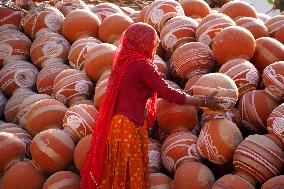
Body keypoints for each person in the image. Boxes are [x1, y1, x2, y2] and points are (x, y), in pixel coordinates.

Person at [81, 23, 223, 189]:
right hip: (128, 127)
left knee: (118, 176)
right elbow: (168, 93)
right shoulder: (143, 66)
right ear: (143, 43)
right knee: (128, 177)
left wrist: (191, 92)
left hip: (118, 126)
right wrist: (203, 101)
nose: (155, 45)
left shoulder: (124, 63)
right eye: (152, 41)